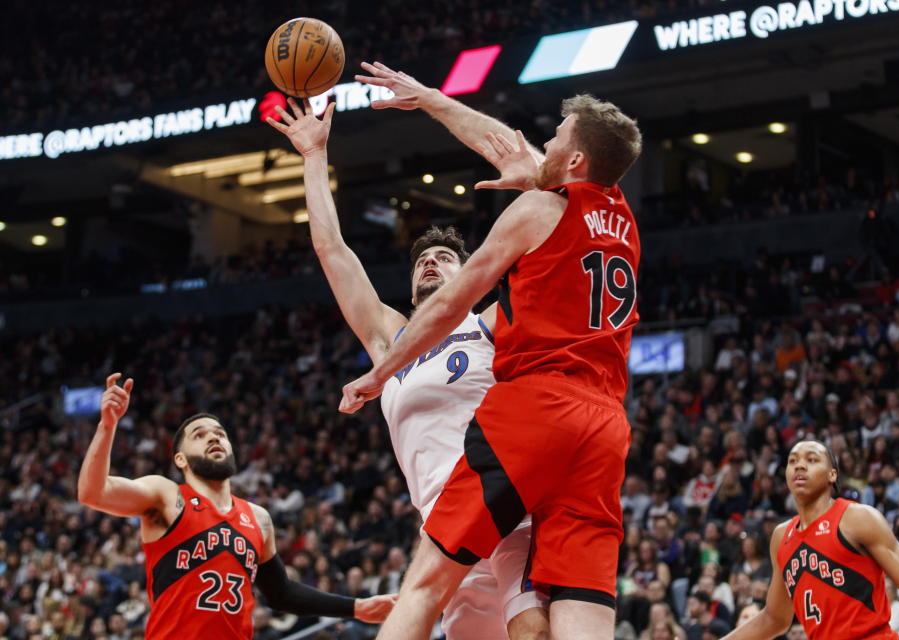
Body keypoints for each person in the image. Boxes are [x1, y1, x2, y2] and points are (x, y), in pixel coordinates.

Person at [341, 61, 643, 640]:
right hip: (605, 423)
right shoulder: (622, 218)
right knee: (581, 606)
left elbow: (451, 304)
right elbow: (506, 145)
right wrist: (429, 96)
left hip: (537, 405)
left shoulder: (538, 208)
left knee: (425, 584)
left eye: (557, 137)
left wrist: (381, 372)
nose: (544, 141)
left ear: (575, 159)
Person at [265, 98, 548, 639]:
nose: (430, 261)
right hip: (443, 533)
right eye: (423, 259)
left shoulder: (490, 322)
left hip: (511, 508)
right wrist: (313, 155)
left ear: (472, 277)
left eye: (445, 258)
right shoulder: (391, 342)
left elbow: (550, 247)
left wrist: (532, 182)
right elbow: (332, 250)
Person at [78, 374, 395, 639]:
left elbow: (281, 593)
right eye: (199, 435)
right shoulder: (167, 495)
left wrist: (356, 607)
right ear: (180, 459)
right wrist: (107, 426)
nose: (213, 438)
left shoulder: (258, 518)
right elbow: (93, 493)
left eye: (219, 434)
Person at [720, 440, 899, 640]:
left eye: (811, 460)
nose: (799, 466)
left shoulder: (858, 518)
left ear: (832, 474)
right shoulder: (781, 537)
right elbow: (774, 618)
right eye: (793, 461)